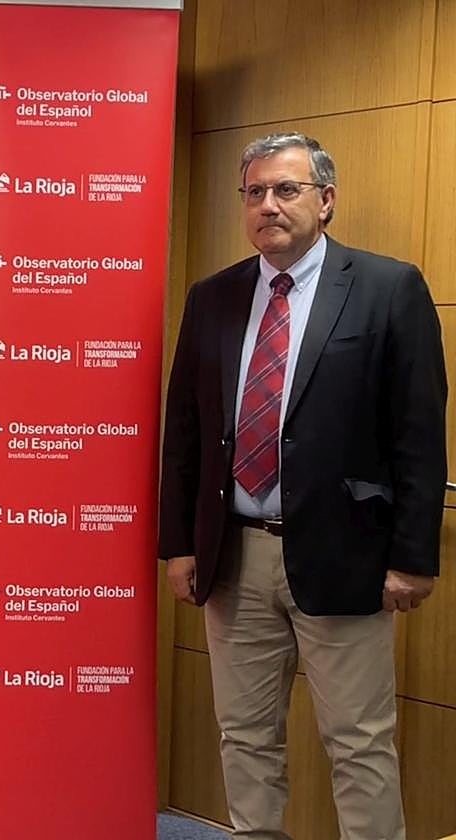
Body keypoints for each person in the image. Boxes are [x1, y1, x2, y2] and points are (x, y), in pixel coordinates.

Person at [159, 132, 446, 839]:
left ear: (326, 199)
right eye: (254, 192)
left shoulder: (388, 287)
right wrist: (179, 545)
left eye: (286, 190)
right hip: (234, 557)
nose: (268, 205)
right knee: (245, 738)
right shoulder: (215, 297)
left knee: (359, 744)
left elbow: (418, 434)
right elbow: (186, 434)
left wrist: (413, 556)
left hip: (346, 556)